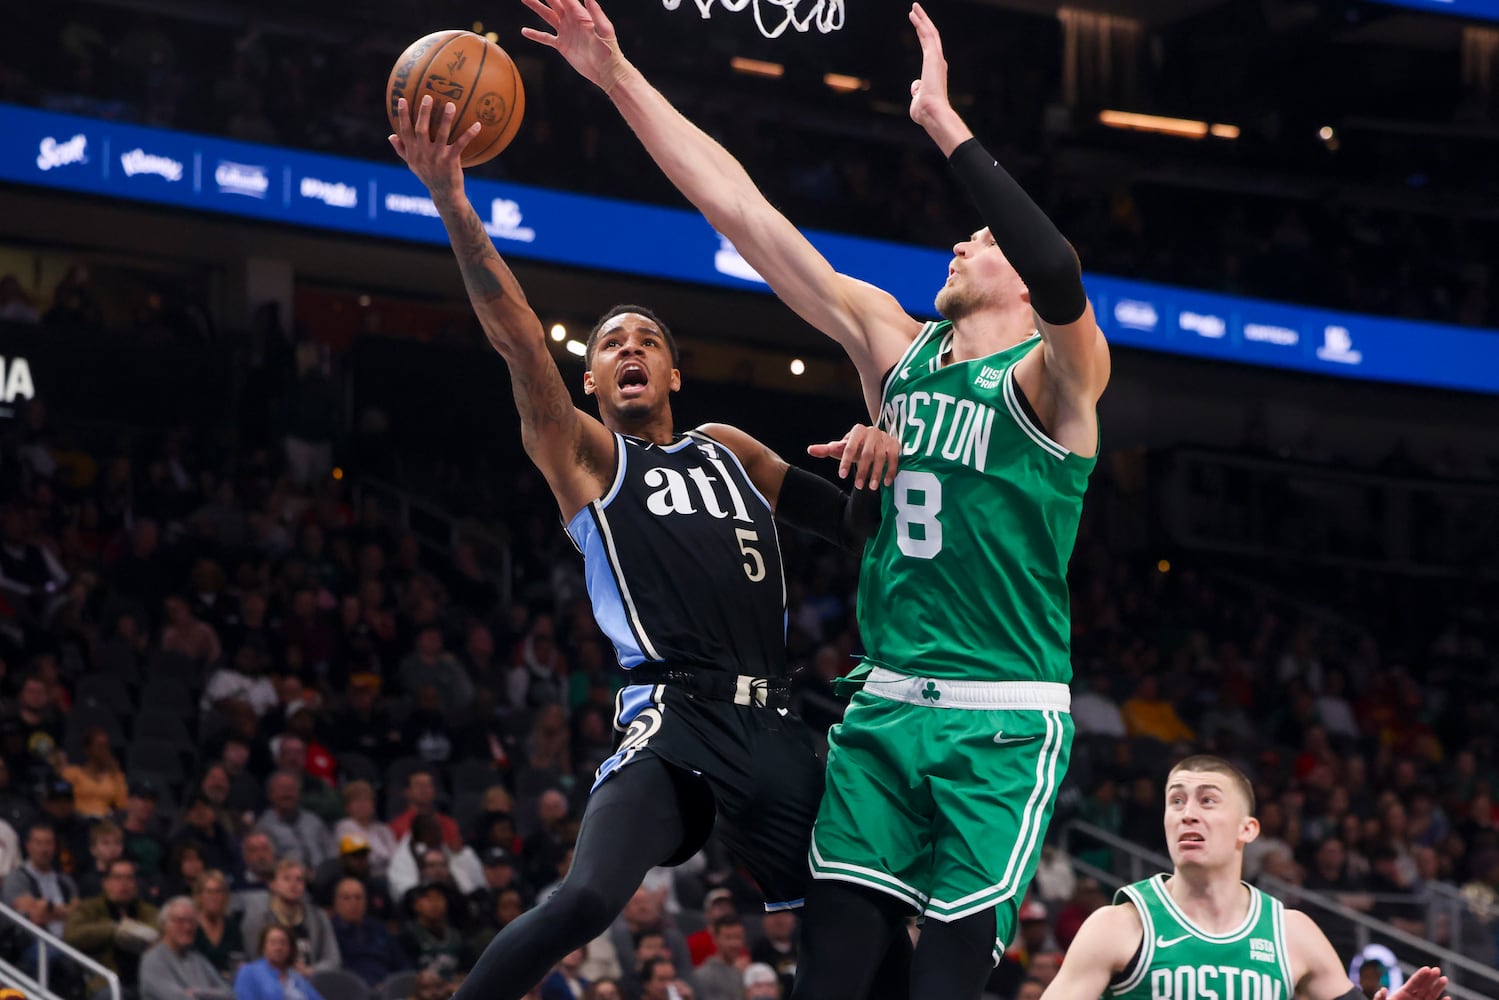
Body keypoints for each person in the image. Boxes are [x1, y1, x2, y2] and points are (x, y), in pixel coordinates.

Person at [528, 3, 1105, 997]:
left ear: (1017, 283)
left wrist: (942, 125)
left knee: (940, 985)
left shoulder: (1058, 383)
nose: (959, 243)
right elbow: (744, 215)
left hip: (999, 714)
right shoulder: (895, 349)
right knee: (830, 973)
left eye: (981, 239)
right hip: (883, 702)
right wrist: (617, 76)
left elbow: (1055, 266)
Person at [388, 89, 894, 1000]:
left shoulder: (730, 449)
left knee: (866, 932)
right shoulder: (586, 456)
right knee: (585, 899)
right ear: (589, 379)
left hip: (776, 722)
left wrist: (880, 452)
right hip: (674, 716)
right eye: (610, 343)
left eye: (647, 340)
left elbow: (862, 527)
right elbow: (517, 342)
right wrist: (454, 204)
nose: (629, 348)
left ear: (672, 372)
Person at [1038, 755, 1451, 1000]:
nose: (1187, 814)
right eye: (1176, 801)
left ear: (1247, 829)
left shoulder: (1292, 933)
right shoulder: (1119, 925)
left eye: (1207, 801)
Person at [63, 858, 160, 999]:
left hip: (144, 979)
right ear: (106, 883)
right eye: (117, 878)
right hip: (106, 980)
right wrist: (113, 929)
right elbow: (71, 935)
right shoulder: (88, 908)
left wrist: (129, 930)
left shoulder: (147, 910)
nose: (124, 884)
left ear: (135, 884)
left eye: (129, 878)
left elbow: (160, 932)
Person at [140, 896, 230, 1000]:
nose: (188, 927)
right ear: (164, 925)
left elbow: (228, 994)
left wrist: (198, 992)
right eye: (180, 921)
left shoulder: (197, 958)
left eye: (192, 921)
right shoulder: (153, 961)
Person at [232, 925, 325, 1000]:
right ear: (263, 947)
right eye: (273, 943)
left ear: (290, 948)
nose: (278, 947)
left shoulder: (296, 976)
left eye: (283, 943)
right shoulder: (249, 972)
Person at [190, 869, 244, 982]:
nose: (214, 897)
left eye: (218, 891)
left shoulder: (232, 926)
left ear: (225, 896)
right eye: (209, 892)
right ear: (199, 896)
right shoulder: (190, 926)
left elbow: (239, 960)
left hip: (227, 985)